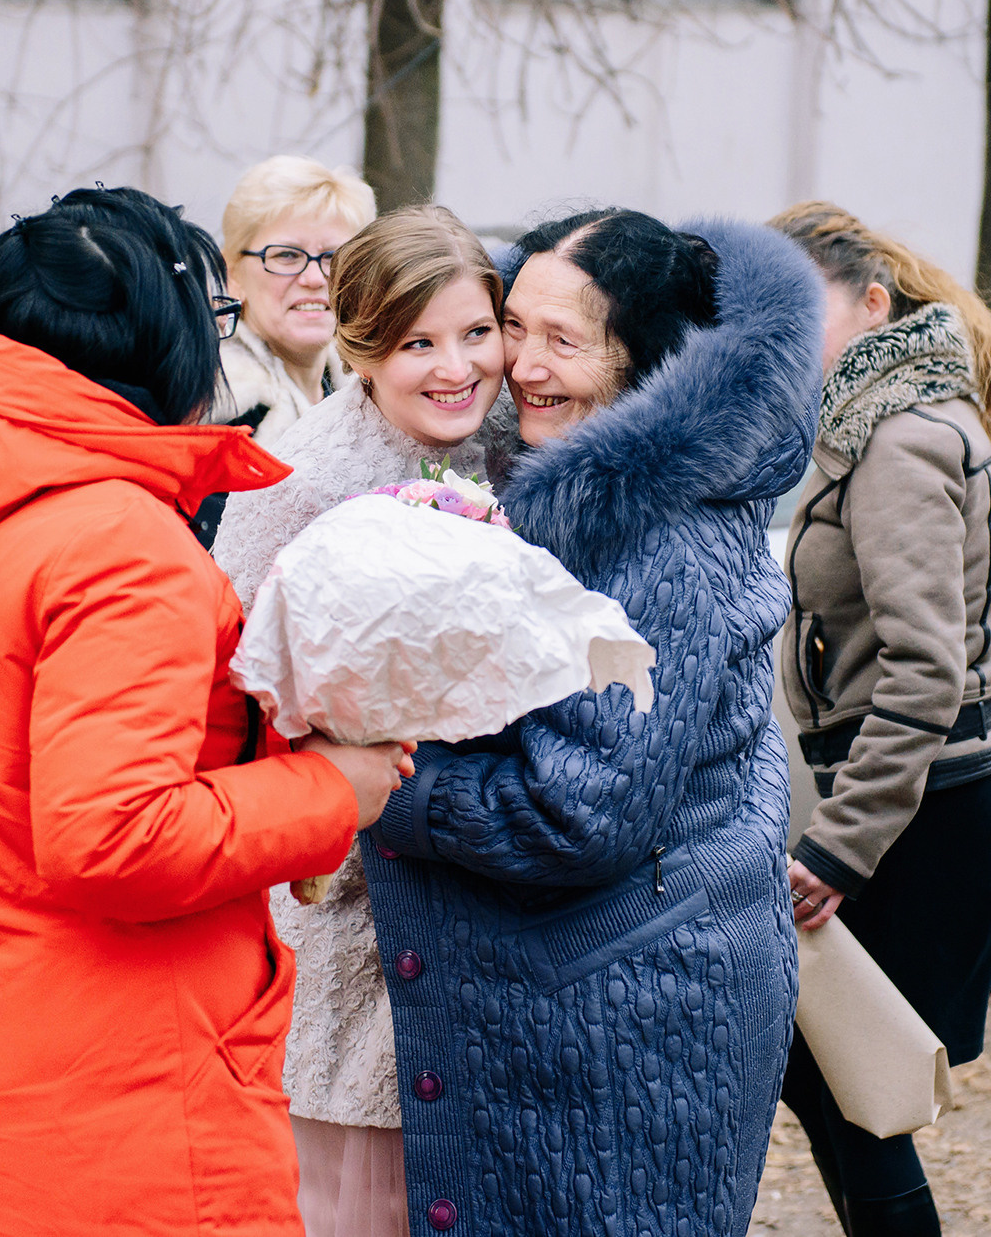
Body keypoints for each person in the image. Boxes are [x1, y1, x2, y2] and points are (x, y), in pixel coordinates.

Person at [0, 186, 415, 1236]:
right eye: (212, 315)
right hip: (118, 1108)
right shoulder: (114, 540)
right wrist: (336, 784)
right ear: (156, 335)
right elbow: (113, 836)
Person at [365, 209, 821, 1235]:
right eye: (512, 325)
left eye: (563, 342)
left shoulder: (654, 537)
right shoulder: (575, 491)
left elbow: (579, 811)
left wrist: (388, 781)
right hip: (611, 975)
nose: (519, 364)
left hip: (622, 1010)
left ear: (644, 368)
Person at [210, 205, 515, 1237]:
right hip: (345, 887)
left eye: (475, 333)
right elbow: (232, 684)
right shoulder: (300, 481)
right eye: (416, 342)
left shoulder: (509, 443)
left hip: (487, 863)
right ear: (358, 346)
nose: (454, 367)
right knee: (360, 1181)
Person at [771, 201, 991, 1237]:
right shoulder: (891, 417)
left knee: (848, 1086)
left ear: (872, 303)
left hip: (920, 809)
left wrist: (836, 848)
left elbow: (924, 672)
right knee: (837, 1084)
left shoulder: (895, 440)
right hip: (925, 797)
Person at [191, 156, 377, 547]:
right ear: (233, 275)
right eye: (286, 256)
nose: (313, 278)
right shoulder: (216, 411)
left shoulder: (370, 393)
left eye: (333, 257)